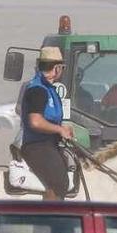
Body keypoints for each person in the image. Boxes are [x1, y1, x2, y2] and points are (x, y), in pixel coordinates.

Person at [20, 46, 74, 200]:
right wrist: (59, 129)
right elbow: (35, 122)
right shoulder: (38, 90)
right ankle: (50, 220)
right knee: (60, 183)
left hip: (49, 144)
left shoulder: (48, 88)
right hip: (38, 146)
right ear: (57, 68)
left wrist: (62, 129)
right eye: (61, 67)